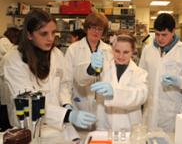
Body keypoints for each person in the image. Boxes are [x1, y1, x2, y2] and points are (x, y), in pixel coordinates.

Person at [3, 9, 96, 142]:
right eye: (44, 34)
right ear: (29, 34)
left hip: (57, 127)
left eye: (53, 33)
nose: (51, 39)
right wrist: (67, 115)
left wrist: (66, 104)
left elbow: (64, 83)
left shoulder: (56, 54)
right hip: (29, 130)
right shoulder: (13, 60)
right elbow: (29, 102)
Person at [139, 13, 182, 132]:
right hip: (150, 110)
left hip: (171, 113)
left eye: (164, 35)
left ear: (173, 31)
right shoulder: (148, 50)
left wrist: (180, 82)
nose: (160, 38)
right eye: (157, 34)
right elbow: (141, 77)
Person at [90, 33, 148, 131]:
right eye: (117, 51)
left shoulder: (140, 73)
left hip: (130, 129)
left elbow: (141, 95)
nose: (121, 56)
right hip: (105, 127)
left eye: (126, 52)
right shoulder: (103, 69)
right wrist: (91, 69)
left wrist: (115, 92)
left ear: (133, 52)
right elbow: (82, 80)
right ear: (112, 50)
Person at [64, 12, 112, 123]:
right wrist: (67, 104)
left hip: (102, 105)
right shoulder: (73, 49)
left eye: (100, 29)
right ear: (86, 28)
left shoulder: (109, 50)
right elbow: (66, 81)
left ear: (103, 32)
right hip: (79, 103)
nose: (96, 32)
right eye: (93, 28)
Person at [0, 27, 21, 131]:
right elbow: (10, 55)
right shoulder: (4, 42)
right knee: (6, 106)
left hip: (5, 78)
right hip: (4, 80)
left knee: (6, 104)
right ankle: (5, 127)